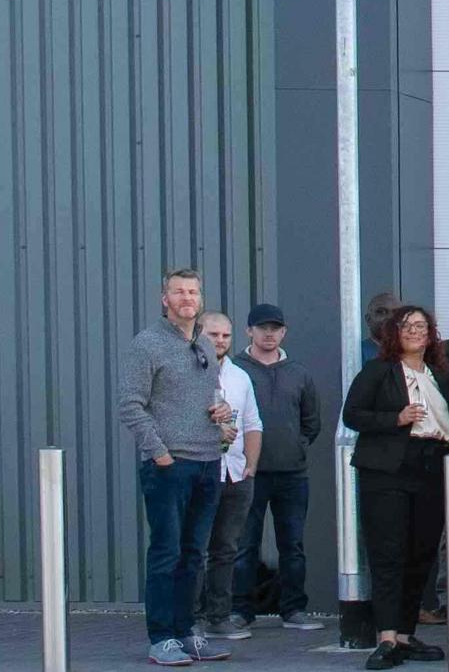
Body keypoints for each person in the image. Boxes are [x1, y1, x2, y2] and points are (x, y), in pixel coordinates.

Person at [121, 268, 236, 668]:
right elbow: (131, 405)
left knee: (194, 555)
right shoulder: (147, 345)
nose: (187, 297)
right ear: (164, 299)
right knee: (166, 553)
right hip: (170, 466)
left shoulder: (205, 344)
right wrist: (160, 453)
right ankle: (162, 638)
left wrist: (222, 415)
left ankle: (188, 633)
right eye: (179, 291)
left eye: (193, 291)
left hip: (208, 461)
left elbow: (210, 398)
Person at [349, 304, 449, 670]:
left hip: (431, 468)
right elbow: (353, 414)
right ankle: (387, 637)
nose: (414, 331)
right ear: (395, 332)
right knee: (388, 553)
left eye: (421, 326)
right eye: (407, 325)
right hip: (388, 470)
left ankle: (407, 635)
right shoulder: (379, 371)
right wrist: (396, 418)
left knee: (421, 555)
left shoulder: (440, 374)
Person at [233, 304, 329, 633]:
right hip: (249, 474)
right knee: (244, 545)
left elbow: (311, 422)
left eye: (275, 328)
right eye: (262, 328)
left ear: (284, 332)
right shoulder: (235, 370)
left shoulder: (298, 373)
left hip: (291, 474)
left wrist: (296, 447)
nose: (269, 333)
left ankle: (294, 610)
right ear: (249, 331)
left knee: (293, 545)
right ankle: (240, 611)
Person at [194, 308, 265, 658]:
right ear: (198, 334)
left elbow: (253, 422)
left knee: (225, 549)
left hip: (236, 473)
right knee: (193, 547)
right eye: (213, 334)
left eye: (225, 335)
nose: (220, 341)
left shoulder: (240, 377)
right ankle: (188, 617)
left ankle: (218, 615)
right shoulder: (187, 371)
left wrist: (250, 465)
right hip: (199, 472)